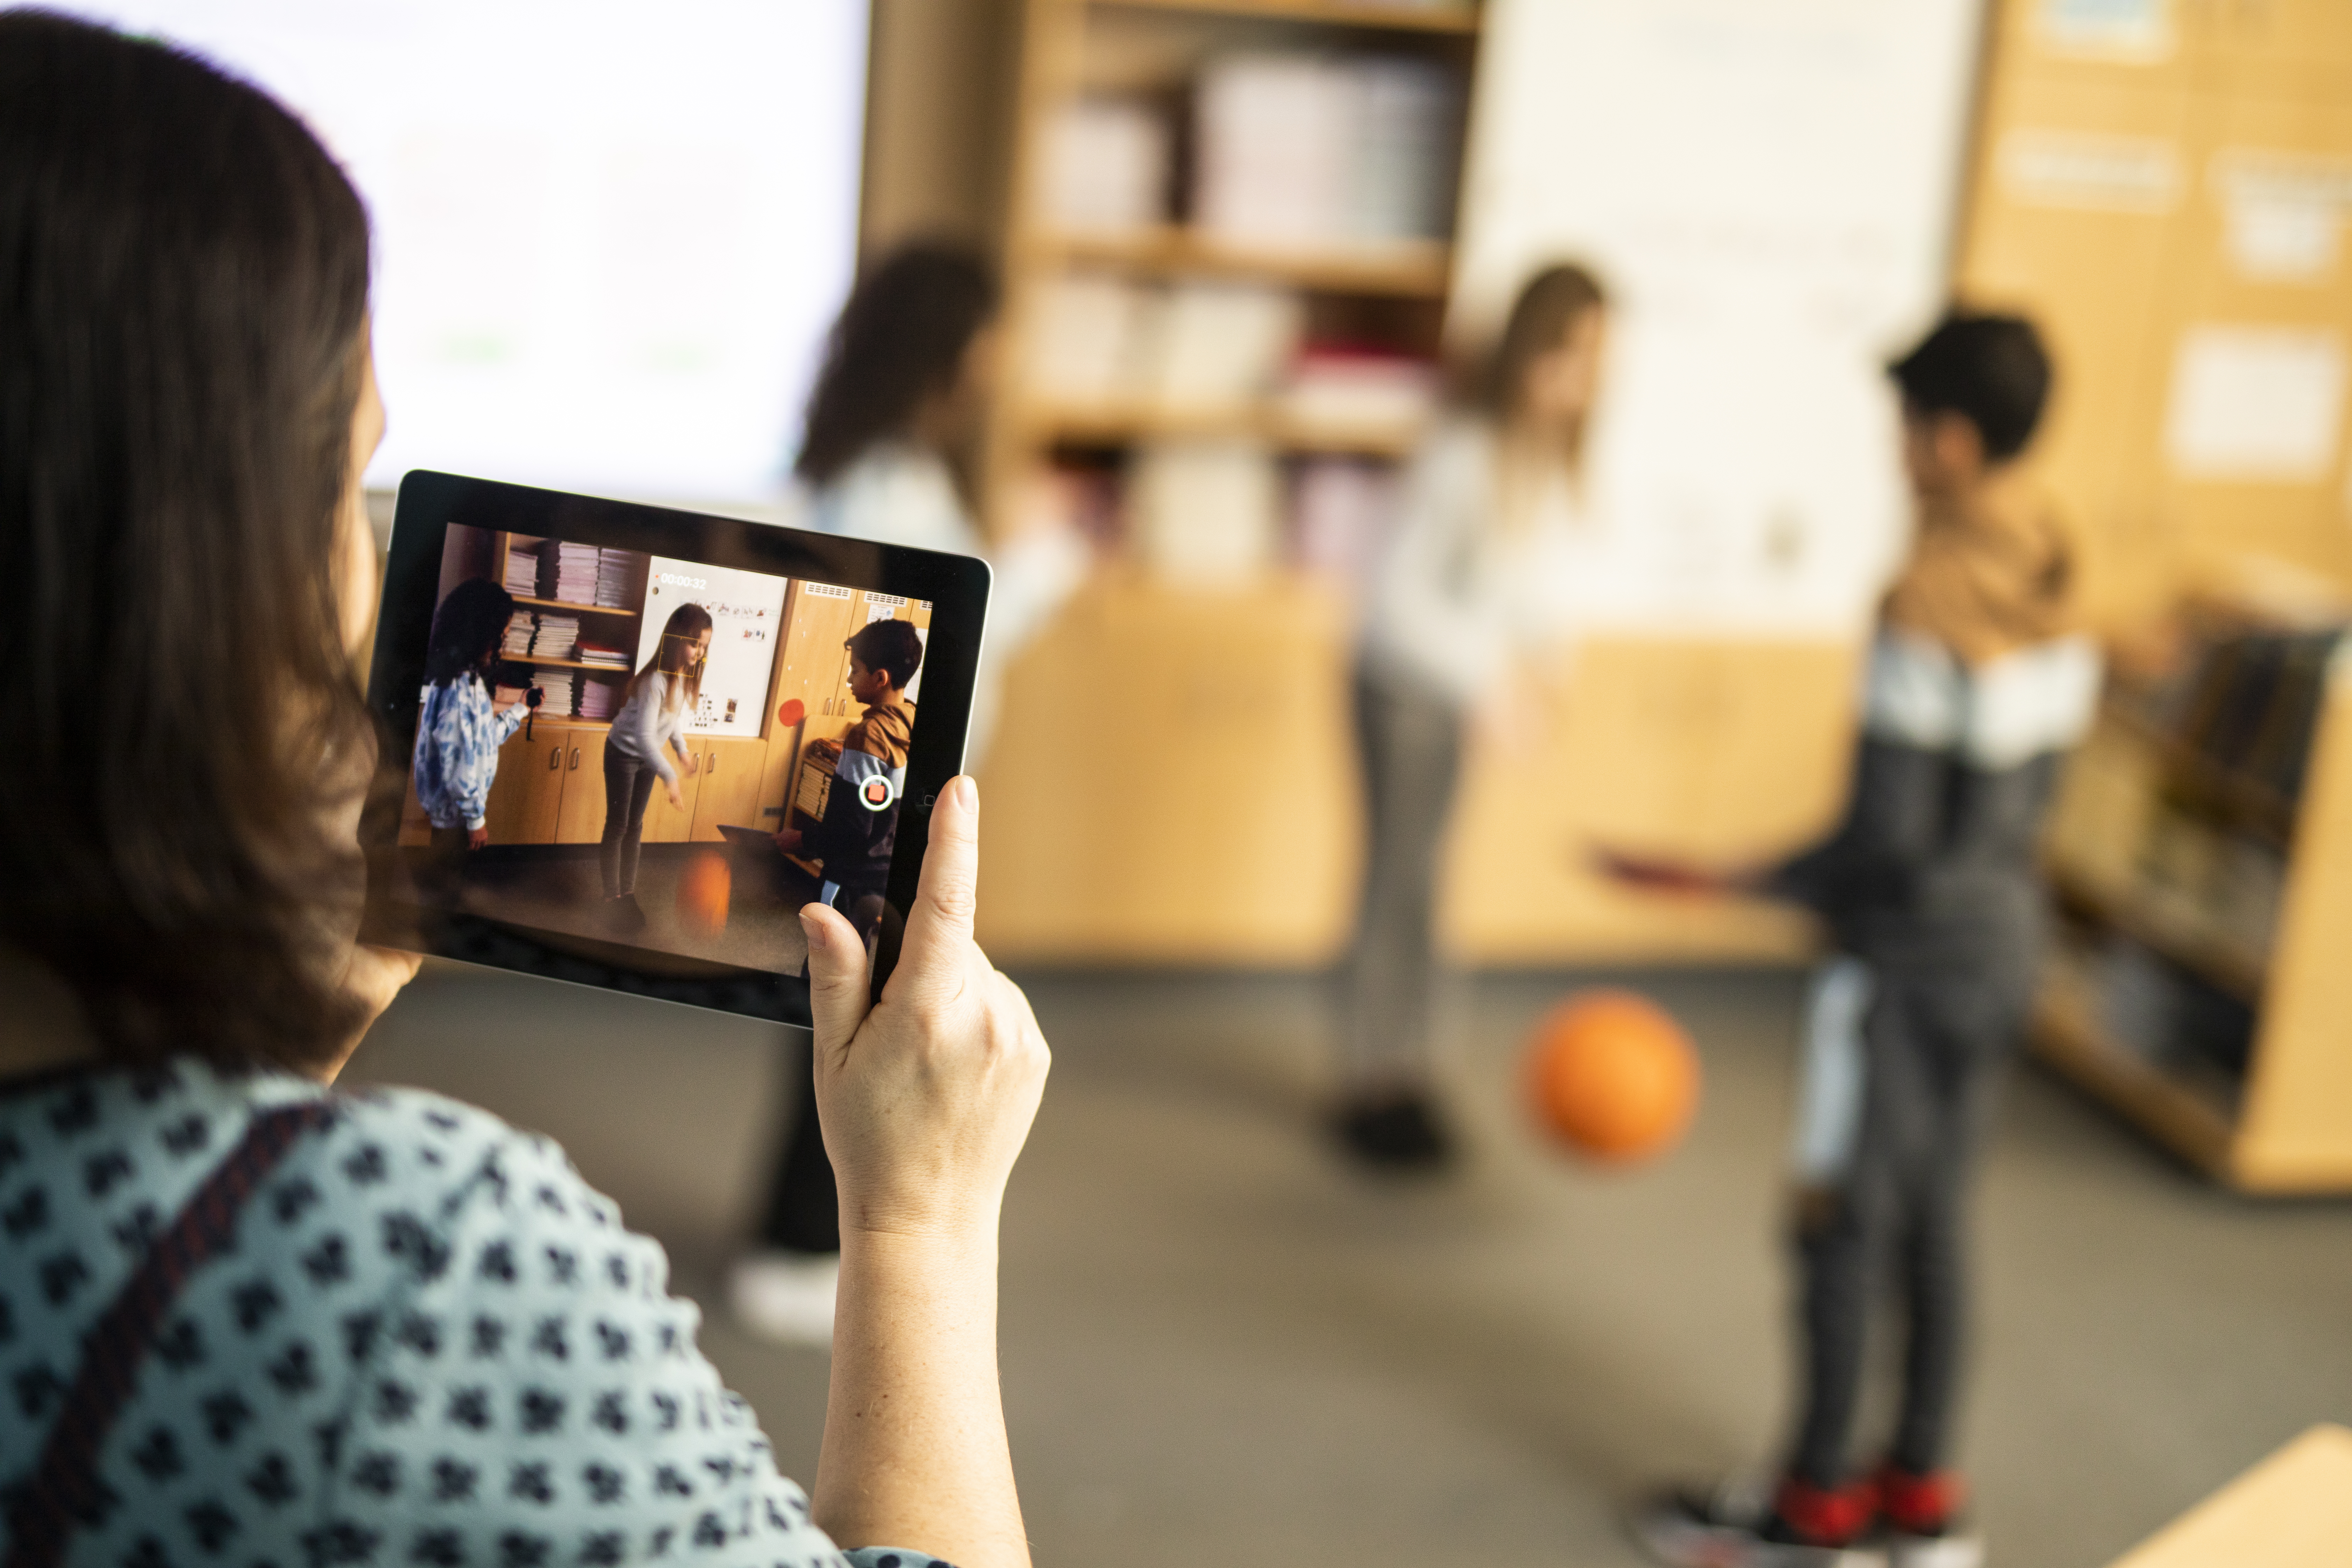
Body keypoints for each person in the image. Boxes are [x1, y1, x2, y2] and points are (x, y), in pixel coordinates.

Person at [0, 17, 1050, 1567]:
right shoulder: (423, 1281)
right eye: (343, 486)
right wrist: (918, 1228)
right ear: (189, 576)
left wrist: (277, 1061)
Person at [1622, 312, 2094, 1568]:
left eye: (1902, 426)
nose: (1891, 449)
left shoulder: (1922, 597)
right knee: (1936, 1219)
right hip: (2001, 954)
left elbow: (1884, 838)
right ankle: (1920, 1501)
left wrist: (1740, 874)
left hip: (1892, 972)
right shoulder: (2053, 566)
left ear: (1944, 440)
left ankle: (1811, 1511)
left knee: (1836, 1219)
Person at [730, 242, 1085, 1345]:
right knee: (852, 1016)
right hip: (881, 803)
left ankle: (801, 1237)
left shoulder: (873, 462)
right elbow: (950, 639)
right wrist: (1040, 563)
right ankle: (797, 1245)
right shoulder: (889, 477)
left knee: (839, 1008)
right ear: (954, 345)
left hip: (876, 794)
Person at [1339, 262, 1610, 1170]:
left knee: (1431, 887)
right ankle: (1373, 1081)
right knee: (1400, 884)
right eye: (1566, 357)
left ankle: (1414, 1068)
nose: (1579, 381)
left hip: (1453, 694)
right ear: (1526, 351)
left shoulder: (1543, 458)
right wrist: (1490, 684)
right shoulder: (1462, 453)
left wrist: (1548, 663)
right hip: (1403, 688)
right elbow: (1398, 606)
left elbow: (1523, 583)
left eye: (1595, 362)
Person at [774, 617, 924, 923]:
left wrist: (802, 841)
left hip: (849, 875)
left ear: (880, 678)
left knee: (826, 950)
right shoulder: (910, 721)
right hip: (881, 874)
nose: (849, 679)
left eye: (855, 670)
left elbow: (852, 828)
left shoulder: (866, 737)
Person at [412, 576, 540, 881]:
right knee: (447, 885)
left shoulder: (466, 682)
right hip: (455, 819)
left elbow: (481, 742)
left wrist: (520, 709)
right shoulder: (460, 691)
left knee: (449, 884)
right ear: (483, 633)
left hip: (454, 815)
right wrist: (475, 819)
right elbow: (460, 768)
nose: (506, 636)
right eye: (503, 632)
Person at [600, 601, 712, 926]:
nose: (700, 653)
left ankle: (628, 893)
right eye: (695, 644)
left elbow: (671, 719)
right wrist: (670, 776)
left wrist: (681, 750)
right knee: (618, 824)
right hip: (624, 752)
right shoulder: (654, 681)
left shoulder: (679, 677)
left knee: (636, 825)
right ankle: (611, 895)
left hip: (649, 757)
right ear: (676, 639)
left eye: (704, 646)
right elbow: (645, 736)